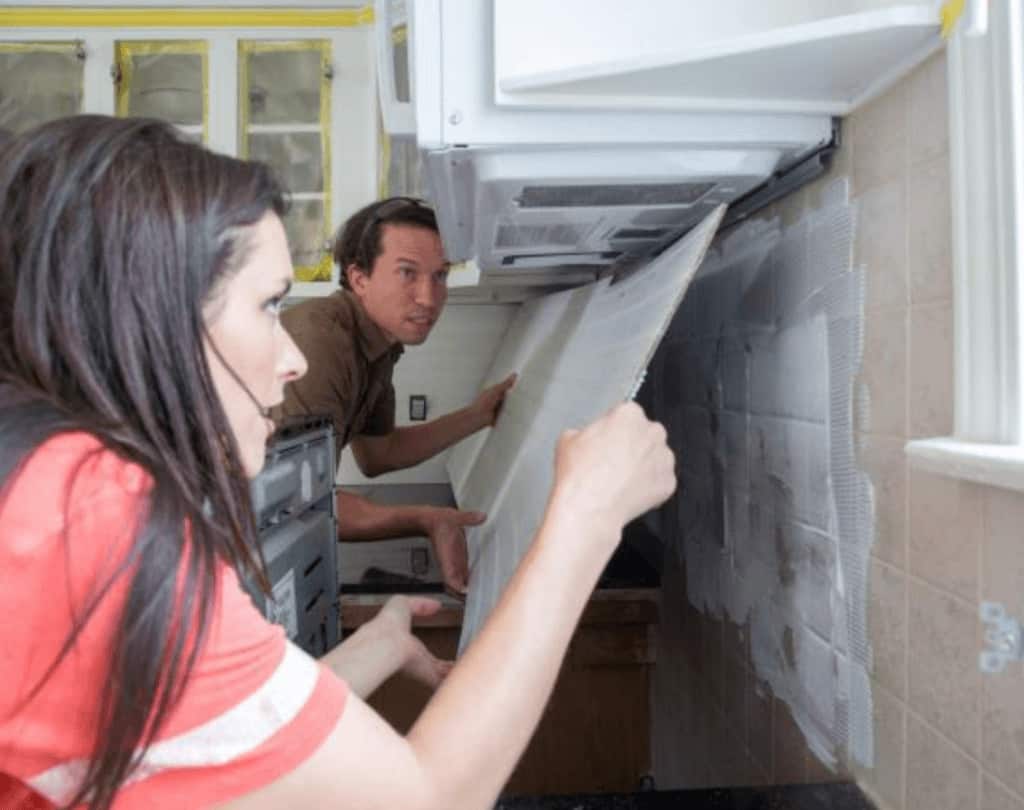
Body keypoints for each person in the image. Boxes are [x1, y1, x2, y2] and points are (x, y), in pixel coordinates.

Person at [0, 115, 675, 810]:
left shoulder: (56, 486)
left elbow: (218, 723)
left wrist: (378, 646)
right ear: (150, 313)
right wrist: (585, 518)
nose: (289, 358)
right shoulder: (92, 534)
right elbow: (426, 796)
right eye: (268, 306)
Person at [275, 197, 516, 596]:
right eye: (408, 273)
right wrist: (426, 518)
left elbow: (378, 455)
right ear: (359, 278)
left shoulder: (379, 345)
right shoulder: (321, 342)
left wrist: (477, 417)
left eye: (440, 276)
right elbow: (297, 506)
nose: (428, 297)